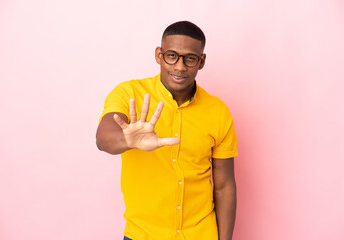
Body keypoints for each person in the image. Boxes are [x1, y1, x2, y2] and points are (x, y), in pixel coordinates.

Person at [96, 21, 238, 240]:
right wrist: (127, 140)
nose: (179, 67)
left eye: (190, 58)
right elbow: (103, 139)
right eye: (171, 55)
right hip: (143, 235)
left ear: (201, 62)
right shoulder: (129, 93)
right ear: (158, 55)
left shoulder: (218, 111)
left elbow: (224, 186)